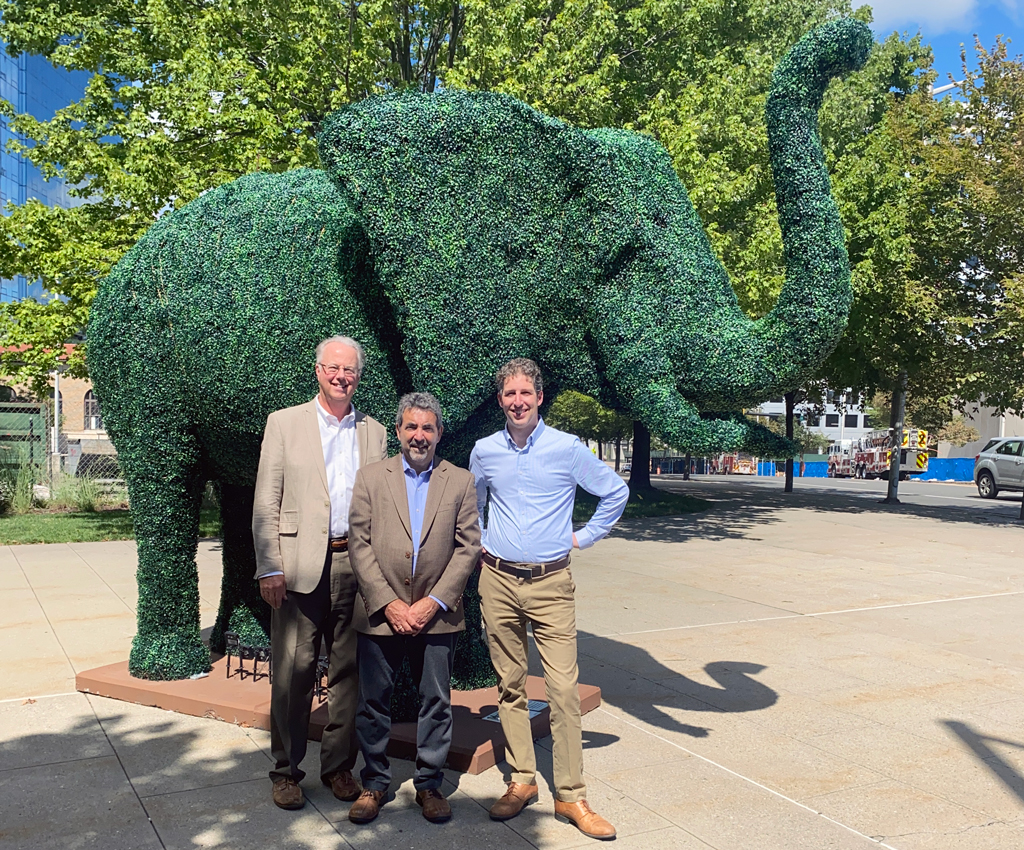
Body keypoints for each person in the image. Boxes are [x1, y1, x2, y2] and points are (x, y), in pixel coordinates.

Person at [470, 358, 628, 841]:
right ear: (501, 400)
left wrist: (583, 537)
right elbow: (474, 505)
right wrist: (480, 545)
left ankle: (571, 795)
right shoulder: (484, 450)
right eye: (509, 394)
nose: (517, 401)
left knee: (562, 691)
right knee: (510, 686)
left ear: (539, 397)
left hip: (551, 584)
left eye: (526, 393)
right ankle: (521, 781)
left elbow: (615, 492)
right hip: (496, 581)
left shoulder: (567, 448)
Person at [252, 335, 388, 811]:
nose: (340, 377)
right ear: (317, 370)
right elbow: (266, 500)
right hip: (298, 565)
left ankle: (338, 768)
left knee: (349, 673)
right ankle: (286, 771)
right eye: (333, 368)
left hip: (356, 565)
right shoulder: (285, 423)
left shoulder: (374, 431)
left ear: (358, 376)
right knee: (293, 671)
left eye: (349, 370)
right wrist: (269, 565)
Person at [346, 392, 481, 825]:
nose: (419, 435)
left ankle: (429, 785)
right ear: (399, 430)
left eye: (427, 428)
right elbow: (358, 543)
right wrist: (388, 603)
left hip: (437, 615)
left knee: (436, 703)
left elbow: (467, 548)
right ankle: (374, 783)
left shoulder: (458, 480)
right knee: (373, 703)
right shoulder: (371, 478)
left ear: (439, 432)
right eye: (411, 427)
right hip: (380, 613)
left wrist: (432, 602)